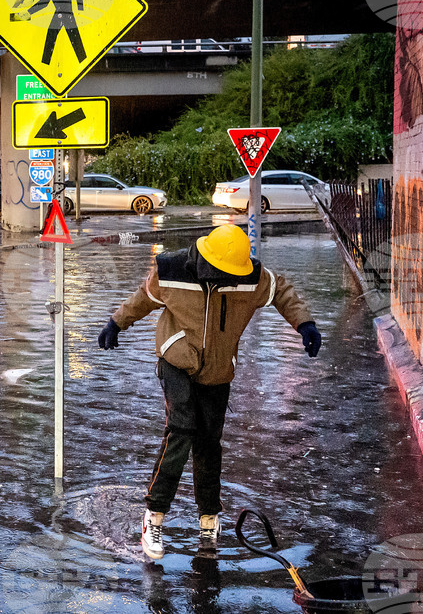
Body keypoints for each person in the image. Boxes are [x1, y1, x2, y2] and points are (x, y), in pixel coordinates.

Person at [97, 224, 321, 559]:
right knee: (182, 427)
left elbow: (283, 292)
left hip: (218, 370)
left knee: (208, 440)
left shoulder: (251, 278)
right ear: (206, 260)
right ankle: (154, 515)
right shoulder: (172, 271)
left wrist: (305, 324)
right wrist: (116, 323)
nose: (228, 277)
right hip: (176, 359)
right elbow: (144, 298)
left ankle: (209, 517)